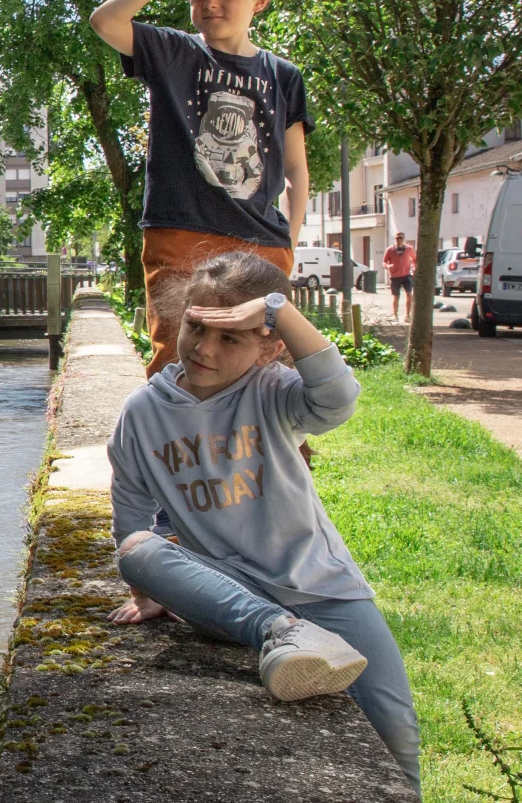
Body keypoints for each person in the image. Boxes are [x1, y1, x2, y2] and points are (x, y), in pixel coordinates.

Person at [105, 251, 420, 791]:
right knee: (137, 550)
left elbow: (339, 398)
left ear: (268, 345)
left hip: (322, 587)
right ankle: (281, 633)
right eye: (197, 326)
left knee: (396, 732)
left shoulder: (273, 391)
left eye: (231, 337)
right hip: (229, 593)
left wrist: (278, 309)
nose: (204, 347)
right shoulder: (143, 412)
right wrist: (149, 592)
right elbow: (129, 515)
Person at [89, 0, 314, 377]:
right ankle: (167, 448)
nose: (210, 3)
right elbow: (104, 20)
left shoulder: (283, 76)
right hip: (179, 235)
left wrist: (289, 243)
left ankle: (271, 448)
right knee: (177, 361)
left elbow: (295, 168)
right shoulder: (173, 51)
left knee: (265, 367)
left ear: (260, 0)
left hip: (259, 242)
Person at [384, 231, 417, 323]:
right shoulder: (390, 250)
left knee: (409, 294)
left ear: (404, 239)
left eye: (400, 238)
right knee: (396, 296)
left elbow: (414, 259)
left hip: (406, 275)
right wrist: (388, 266)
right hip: (395, 276)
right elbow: (384, 261)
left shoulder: (409, 249)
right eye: (397, 238)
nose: (399, 240)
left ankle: (407, 315)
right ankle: (395, 315)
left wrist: (414, 267)